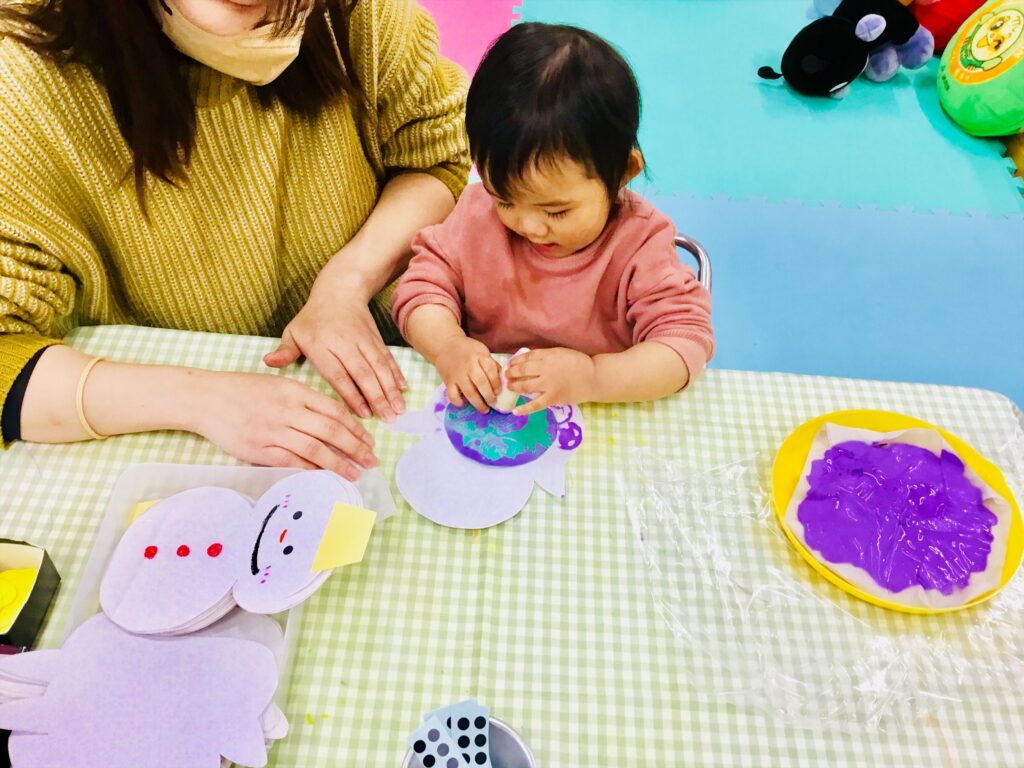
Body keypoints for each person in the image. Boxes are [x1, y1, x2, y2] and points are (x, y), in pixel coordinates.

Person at [0, 0, 470, 480]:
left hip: (388, 349)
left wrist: (345, 285)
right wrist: (200, 400)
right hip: (159, 416)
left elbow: (435, 157)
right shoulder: (24, 92)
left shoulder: (359, 15)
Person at [391, 23, 714, 416]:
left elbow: (685, 344)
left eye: (556, 211)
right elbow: (420, 289)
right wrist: (448, 345)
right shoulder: (475, 215)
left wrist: (594, 377)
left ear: (622, 174)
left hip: (600, 410)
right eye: (505, 200)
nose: (529, 227)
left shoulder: (640, 244)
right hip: (491, 412)